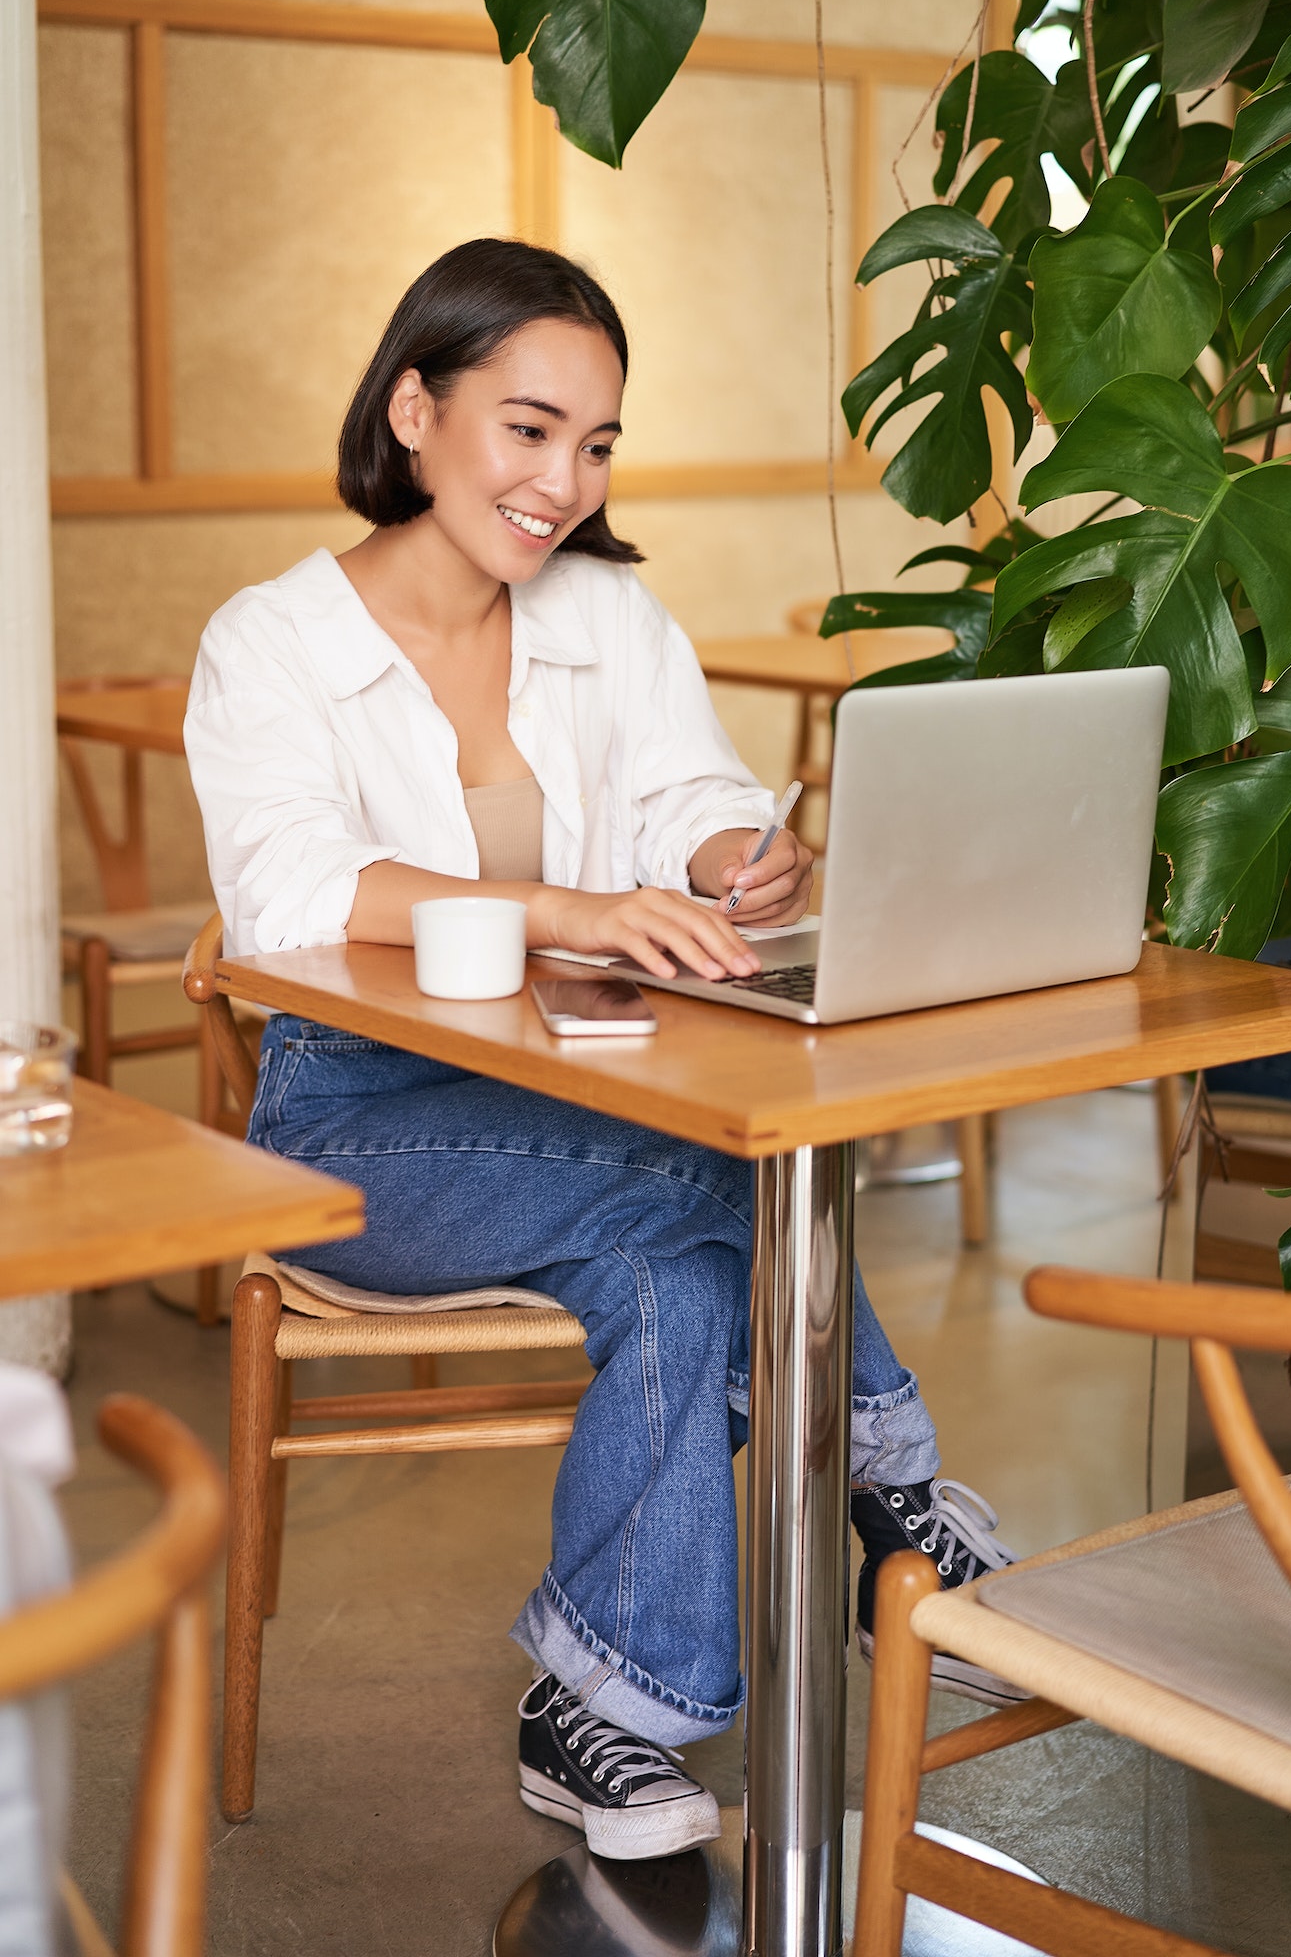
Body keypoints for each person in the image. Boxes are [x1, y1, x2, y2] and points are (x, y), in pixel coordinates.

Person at [185, 238, 1017, 1864]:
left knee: (689, 1276)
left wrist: (726, 862)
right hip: (355, 1124)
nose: (562, 480)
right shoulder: (269, 641)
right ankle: (886, 1481)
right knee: (719, 1168)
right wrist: (575, 908)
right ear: (414, 410)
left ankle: (604, 1711)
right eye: (527, 428)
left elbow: (691, 792)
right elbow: (287, 891)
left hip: (583, 1082)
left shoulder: (608, 618)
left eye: (596, 442)